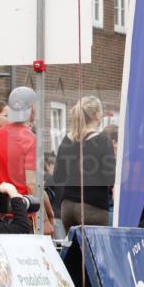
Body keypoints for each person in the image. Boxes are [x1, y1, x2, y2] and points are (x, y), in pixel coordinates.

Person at [53, 96, 115, 230]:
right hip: (93, 207)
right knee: (95, 249)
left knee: (74, 250)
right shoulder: (103, 140)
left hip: (67, 206)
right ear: (97, 115)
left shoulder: (66, 140)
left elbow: (58, 176)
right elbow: (110, 177)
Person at [0, 87, 37, 195]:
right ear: (31, 108)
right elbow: (31, 184)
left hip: (0, 205)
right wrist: (42, 210)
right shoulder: (30, 139)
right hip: (23, 206)